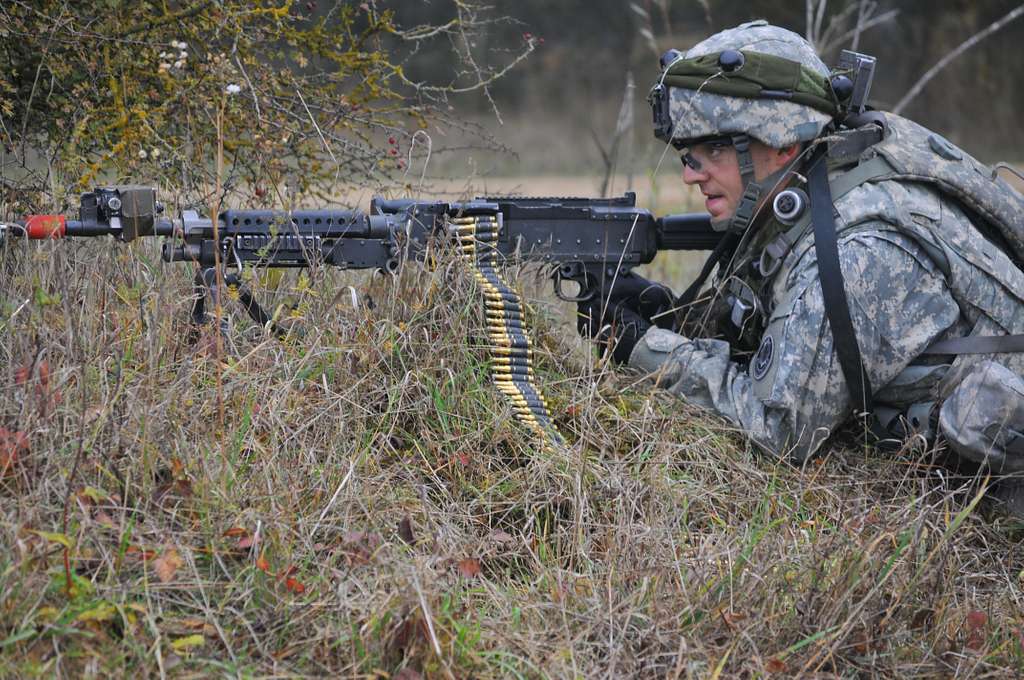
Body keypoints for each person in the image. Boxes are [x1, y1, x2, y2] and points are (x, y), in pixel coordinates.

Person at [578, 21, 1024, 511]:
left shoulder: (859, 250)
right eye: (688, 154)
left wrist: (643, 348)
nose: (690, 174)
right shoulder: (808, 194)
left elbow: (779, 429)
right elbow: (767, 331)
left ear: (784, 143)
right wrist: (663, 314)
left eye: (715, 149)